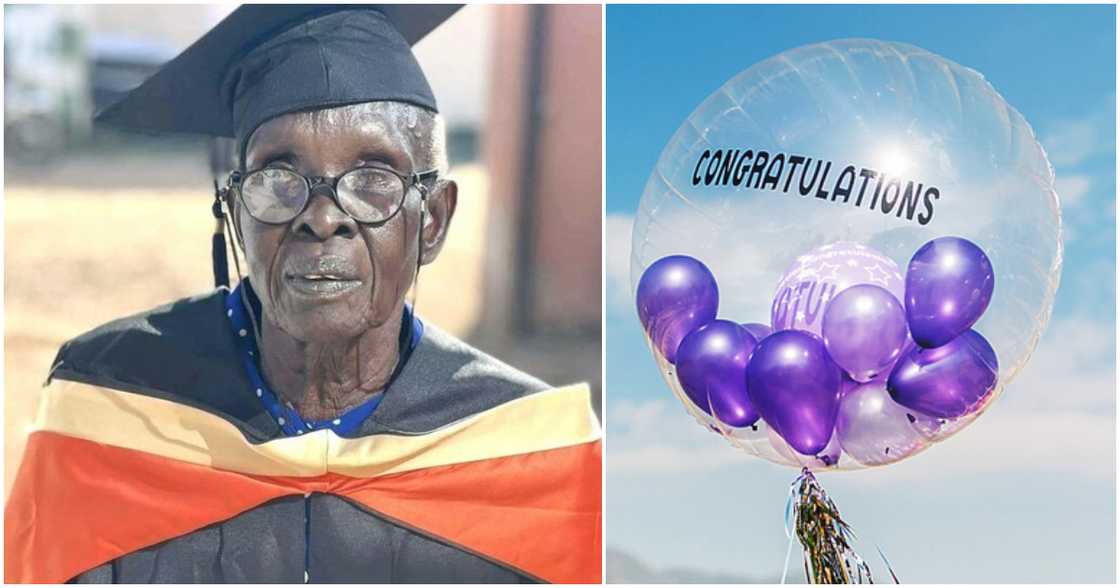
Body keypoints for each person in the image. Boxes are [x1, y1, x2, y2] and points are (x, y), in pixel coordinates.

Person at [4, 5, 601, 584]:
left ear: (433, 221)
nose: (322, 218)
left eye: (373, 180)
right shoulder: (110, 410)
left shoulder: (530, 457)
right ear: (236, 213)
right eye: (278, 178)